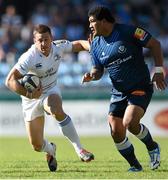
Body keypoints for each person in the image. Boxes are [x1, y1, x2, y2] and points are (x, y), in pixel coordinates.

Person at [82, 5, 167, 172]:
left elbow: (155, 44)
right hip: (118, 91)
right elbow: (98, 69)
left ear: (104, 21)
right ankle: (135, 166)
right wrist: (92, 75)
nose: (90, 26)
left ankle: (152, 147)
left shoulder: (129, 31)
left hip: (139, 86)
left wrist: (158, 70)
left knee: (130, 122)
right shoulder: (95, 43)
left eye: (92, 22)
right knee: (115, 130)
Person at [5, 24, 94, 172]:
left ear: (51, 38)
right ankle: (51, 149)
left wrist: (92, 46)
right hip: (31, 98)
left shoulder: (58, 47)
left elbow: (78, 44)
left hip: (50, 91)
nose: (43, 43)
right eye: (40, 40)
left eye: (46, 39)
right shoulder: (29, 57)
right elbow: (10, 80)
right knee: (36, 145)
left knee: (56, 109)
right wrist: (29, 94)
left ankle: (80, 150)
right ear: (34, 41)